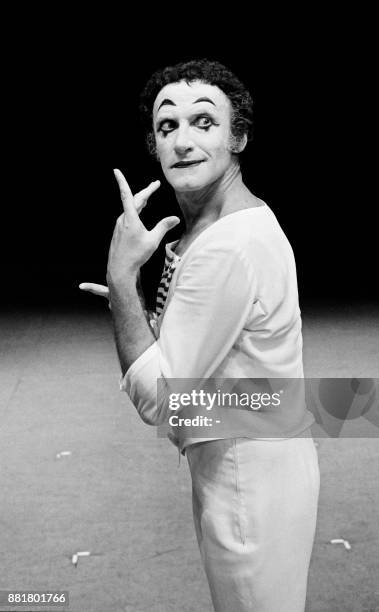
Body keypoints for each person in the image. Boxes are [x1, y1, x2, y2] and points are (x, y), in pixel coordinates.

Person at [80, 59, 320, 612]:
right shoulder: (218, 228)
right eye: (168, 126)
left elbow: (162, 402)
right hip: (246, 461)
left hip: (248, 484)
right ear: (152, 144)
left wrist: (122, 282)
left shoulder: (227, 245)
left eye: (204, 122)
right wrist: (140, 307)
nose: (183, 141)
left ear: (239, 137)